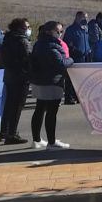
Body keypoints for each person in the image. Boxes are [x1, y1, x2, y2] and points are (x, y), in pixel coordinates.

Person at [29, 21, 74, 149]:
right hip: (51, 82)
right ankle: (52, 142)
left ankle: (37, 139)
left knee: (39, 109)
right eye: (57, 31)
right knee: (51, 113)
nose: (60, 34)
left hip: (40, 81)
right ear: (49, 31)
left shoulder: (39, 43)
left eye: (61, 31)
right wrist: (71, 60)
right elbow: (61, 63)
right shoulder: (51, 45)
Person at [0, 18, 32, 144]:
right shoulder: (22, 40)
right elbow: (28, 58)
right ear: (20, 28)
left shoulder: (7, 39)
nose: (28, 30)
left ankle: (4, 132)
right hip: (21, 77)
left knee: (9, 104)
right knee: (17, 106)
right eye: (26, 27)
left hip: (9, 76)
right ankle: (12, 134)